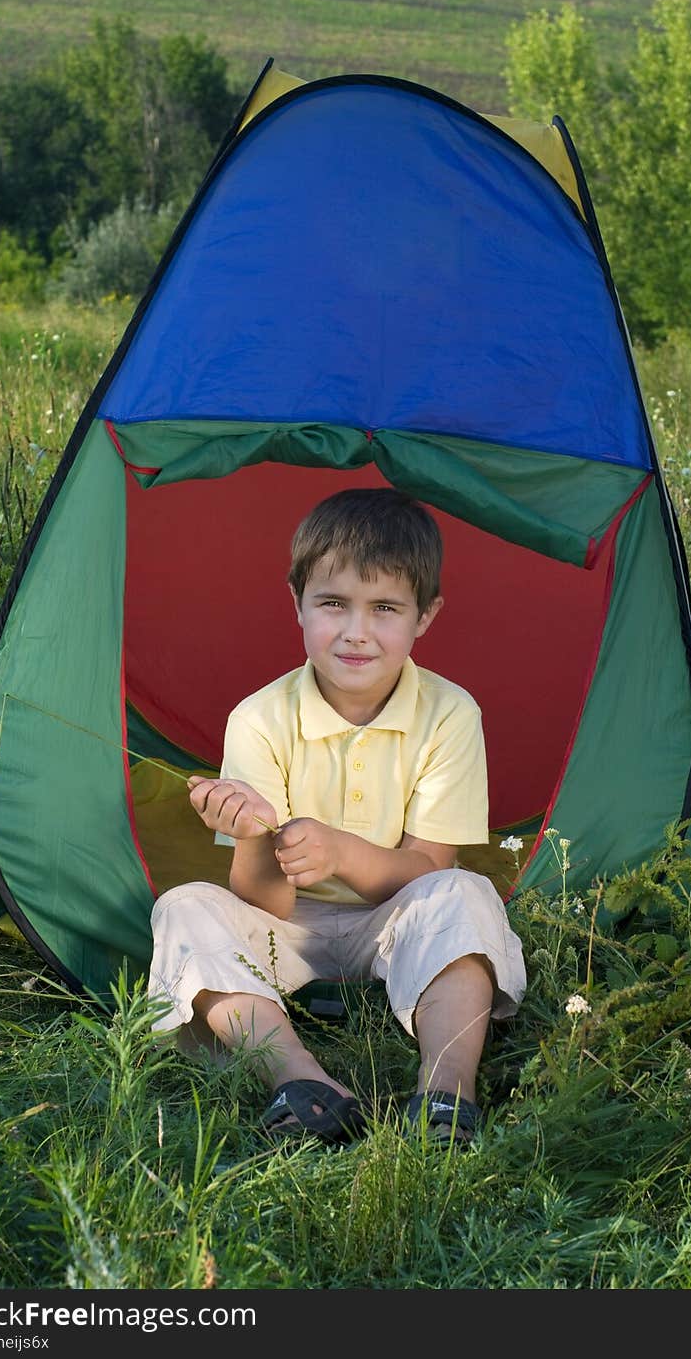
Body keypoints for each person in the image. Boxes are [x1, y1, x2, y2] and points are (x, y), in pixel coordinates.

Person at [147, 487, 527, 1145]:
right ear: (296, 603)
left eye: (384, 608)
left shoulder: (449, 713)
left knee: (466, 894)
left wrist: (342, 852)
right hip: (286, 924)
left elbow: (430, 870)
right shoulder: (260, 719)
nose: (357, 631)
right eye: (333, 603)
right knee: (182, 908)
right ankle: (304, 1083)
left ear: (424, 616)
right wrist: (250, 838)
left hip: (395, 915)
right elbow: (262, 901)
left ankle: (445, 1092)